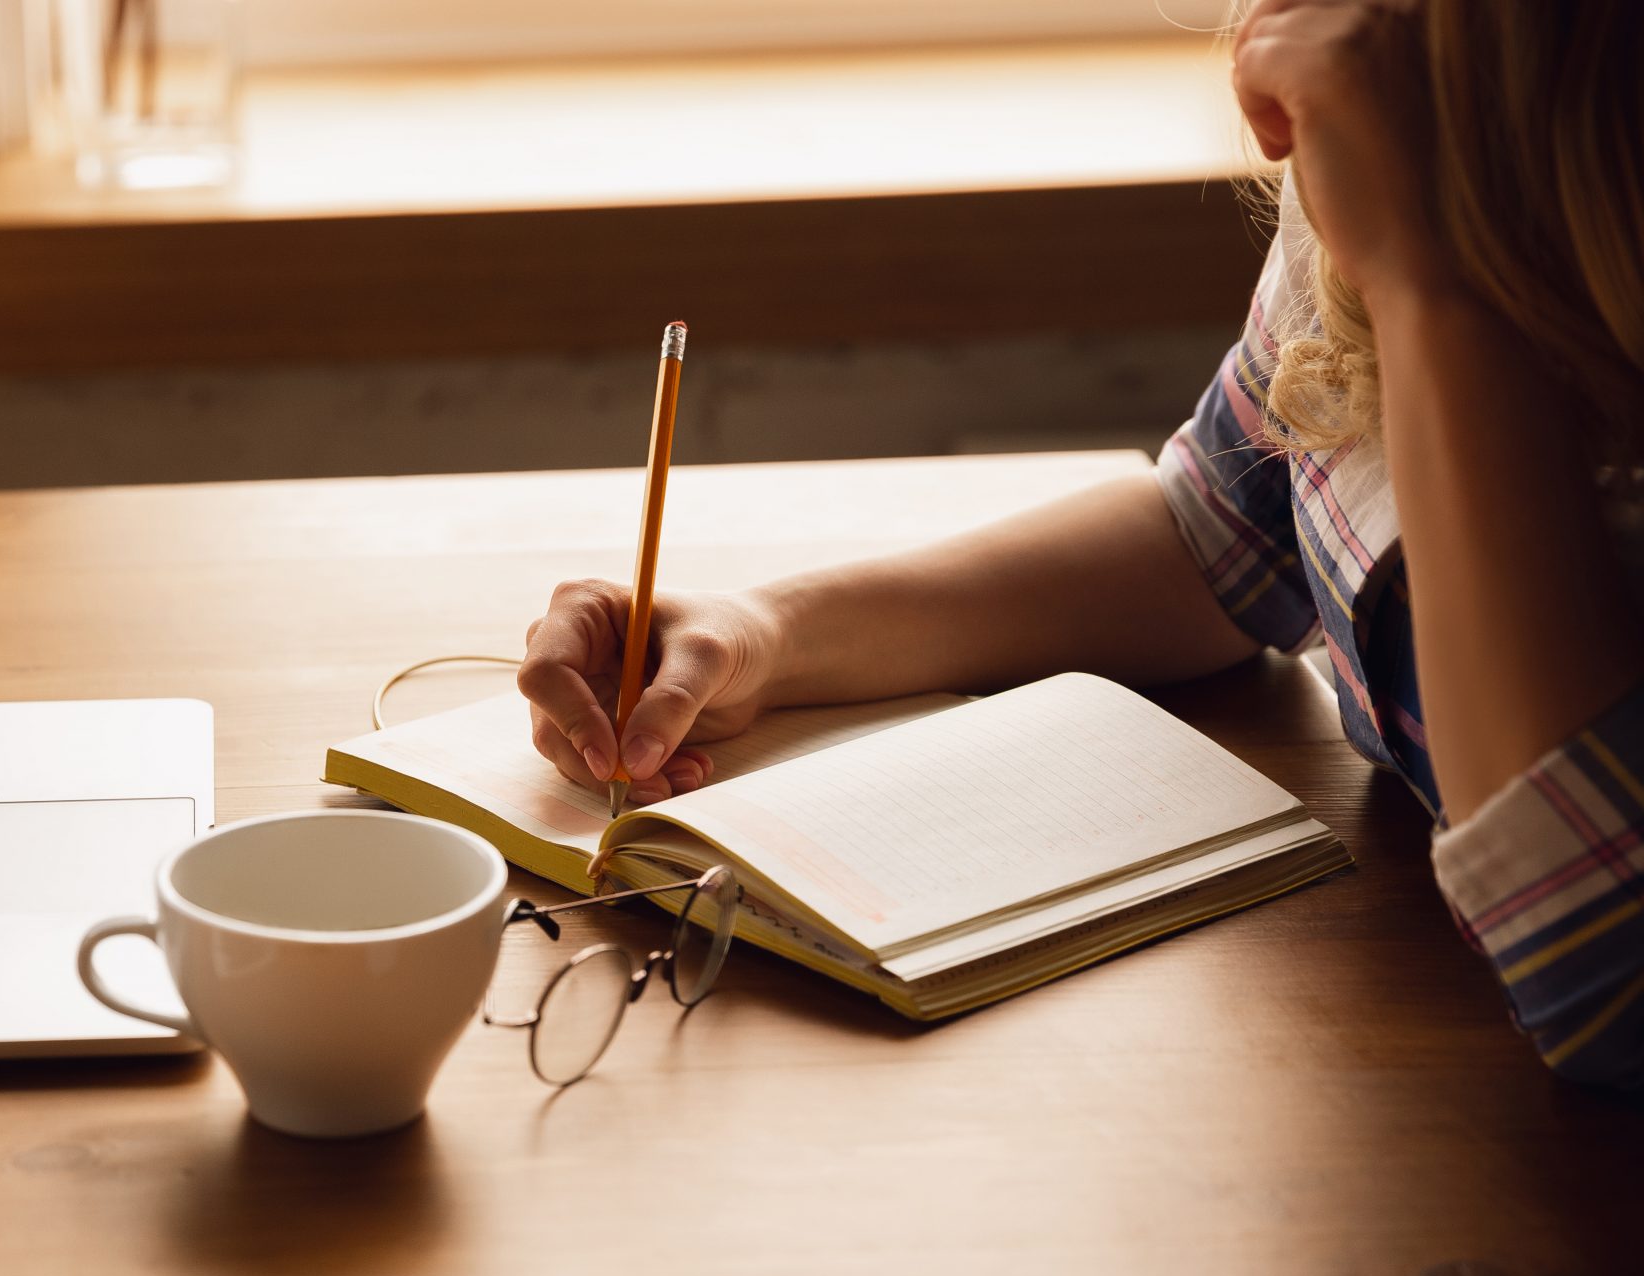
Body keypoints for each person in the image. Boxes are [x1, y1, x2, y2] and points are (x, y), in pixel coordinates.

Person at [512, 0, 1644, 1091]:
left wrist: (1431, 283)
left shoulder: (1420, 202)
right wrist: (771, 632)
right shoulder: (1396, 143)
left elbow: (1599, 979)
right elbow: (1212, 540)